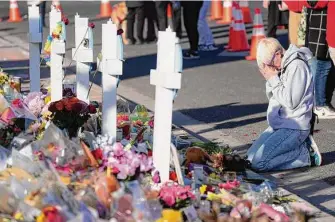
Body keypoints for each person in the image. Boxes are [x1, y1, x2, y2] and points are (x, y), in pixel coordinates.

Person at [247, 38, 322, 172]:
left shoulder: (297, 66)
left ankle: (305, 155)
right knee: (249, 158)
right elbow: (273, 98)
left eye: (270, 64)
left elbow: (291, 102)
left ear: (278, 54)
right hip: (280, 124)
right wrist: (271, 80)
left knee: (259, 164)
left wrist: (273, 78)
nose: (271, 69)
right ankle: (297, 150)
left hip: (295, 127)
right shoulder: (281, 66)